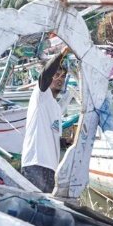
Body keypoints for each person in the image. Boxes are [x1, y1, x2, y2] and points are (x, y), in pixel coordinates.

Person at [20, 46, 70, 193]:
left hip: (51, 169)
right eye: (57, 75)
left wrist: (65, 142)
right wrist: (62, 54)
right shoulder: (41, 94)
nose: (59, 79)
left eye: (63, 76)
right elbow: (45, 75)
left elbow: (51, 136)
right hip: (35, 163)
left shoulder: (56, 107)